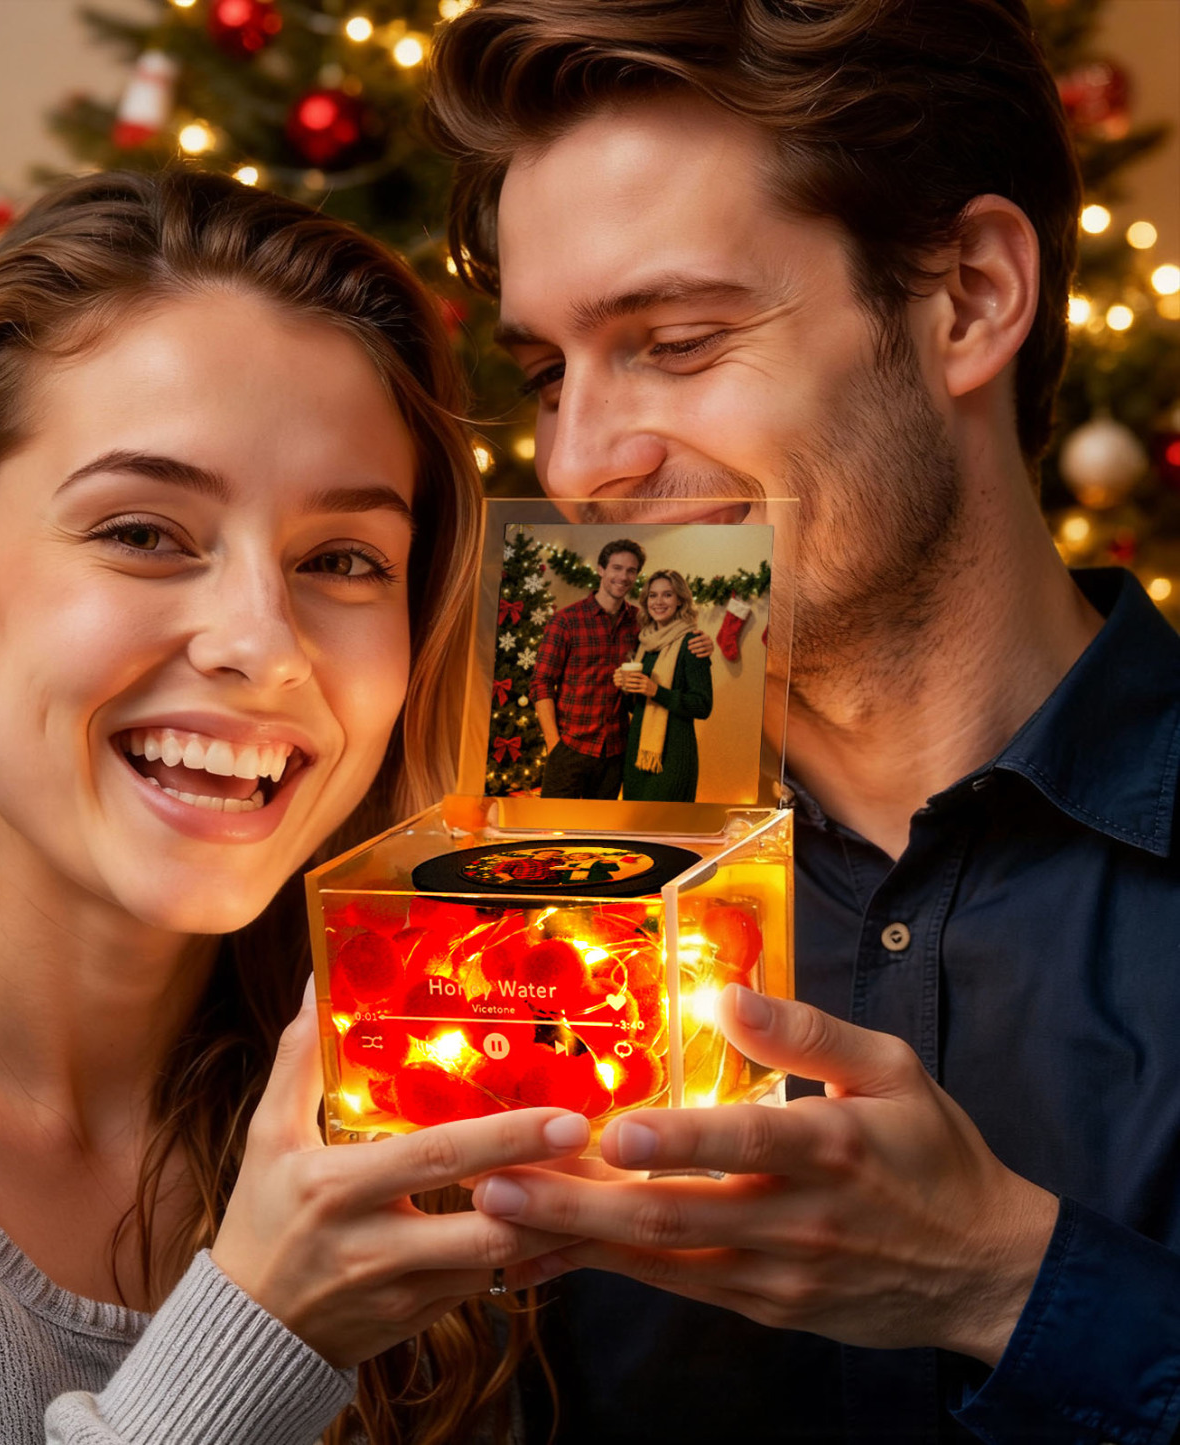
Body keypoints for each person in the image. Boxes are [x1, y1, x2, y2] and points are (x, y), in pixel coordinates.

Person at [0, 171, 592, 1445]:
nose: (264, 641)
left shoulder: (397, 1109)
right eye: (143, 531)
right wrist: (261, 1327)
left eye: (343, 560)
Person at [428, 2, 1180, 1441]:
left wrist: (1009, 1285)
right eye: (544, 373)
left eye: (677, 340)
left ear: (966, 297)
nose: (575, 462)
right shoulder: (511, 879)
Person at [529, 537, 644, 799]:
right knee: (553, 830)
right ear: (601, 570)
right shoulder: (566, 621)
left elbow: (672, 637)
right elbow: (541, 683)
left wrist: (700, 642)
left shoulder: (639, 621)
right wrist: (554, 745)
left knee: (598, 835)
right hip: (570, 748)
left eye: (631, 570)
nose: (623, 576)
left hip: (615, 752)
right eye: (616, 568)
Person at [615, 569, 712, 803]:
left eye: (667, 595)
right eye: (652, 595)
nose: (659, 602)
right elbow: (635, 707)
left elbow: (702, 706)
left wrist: (656, 691)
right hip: (638, 753)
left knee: (666, 829)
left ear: (680, 600)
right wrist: (624, 687)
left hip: (674, 756)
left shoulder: (693, 642)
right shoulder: (644, 643)